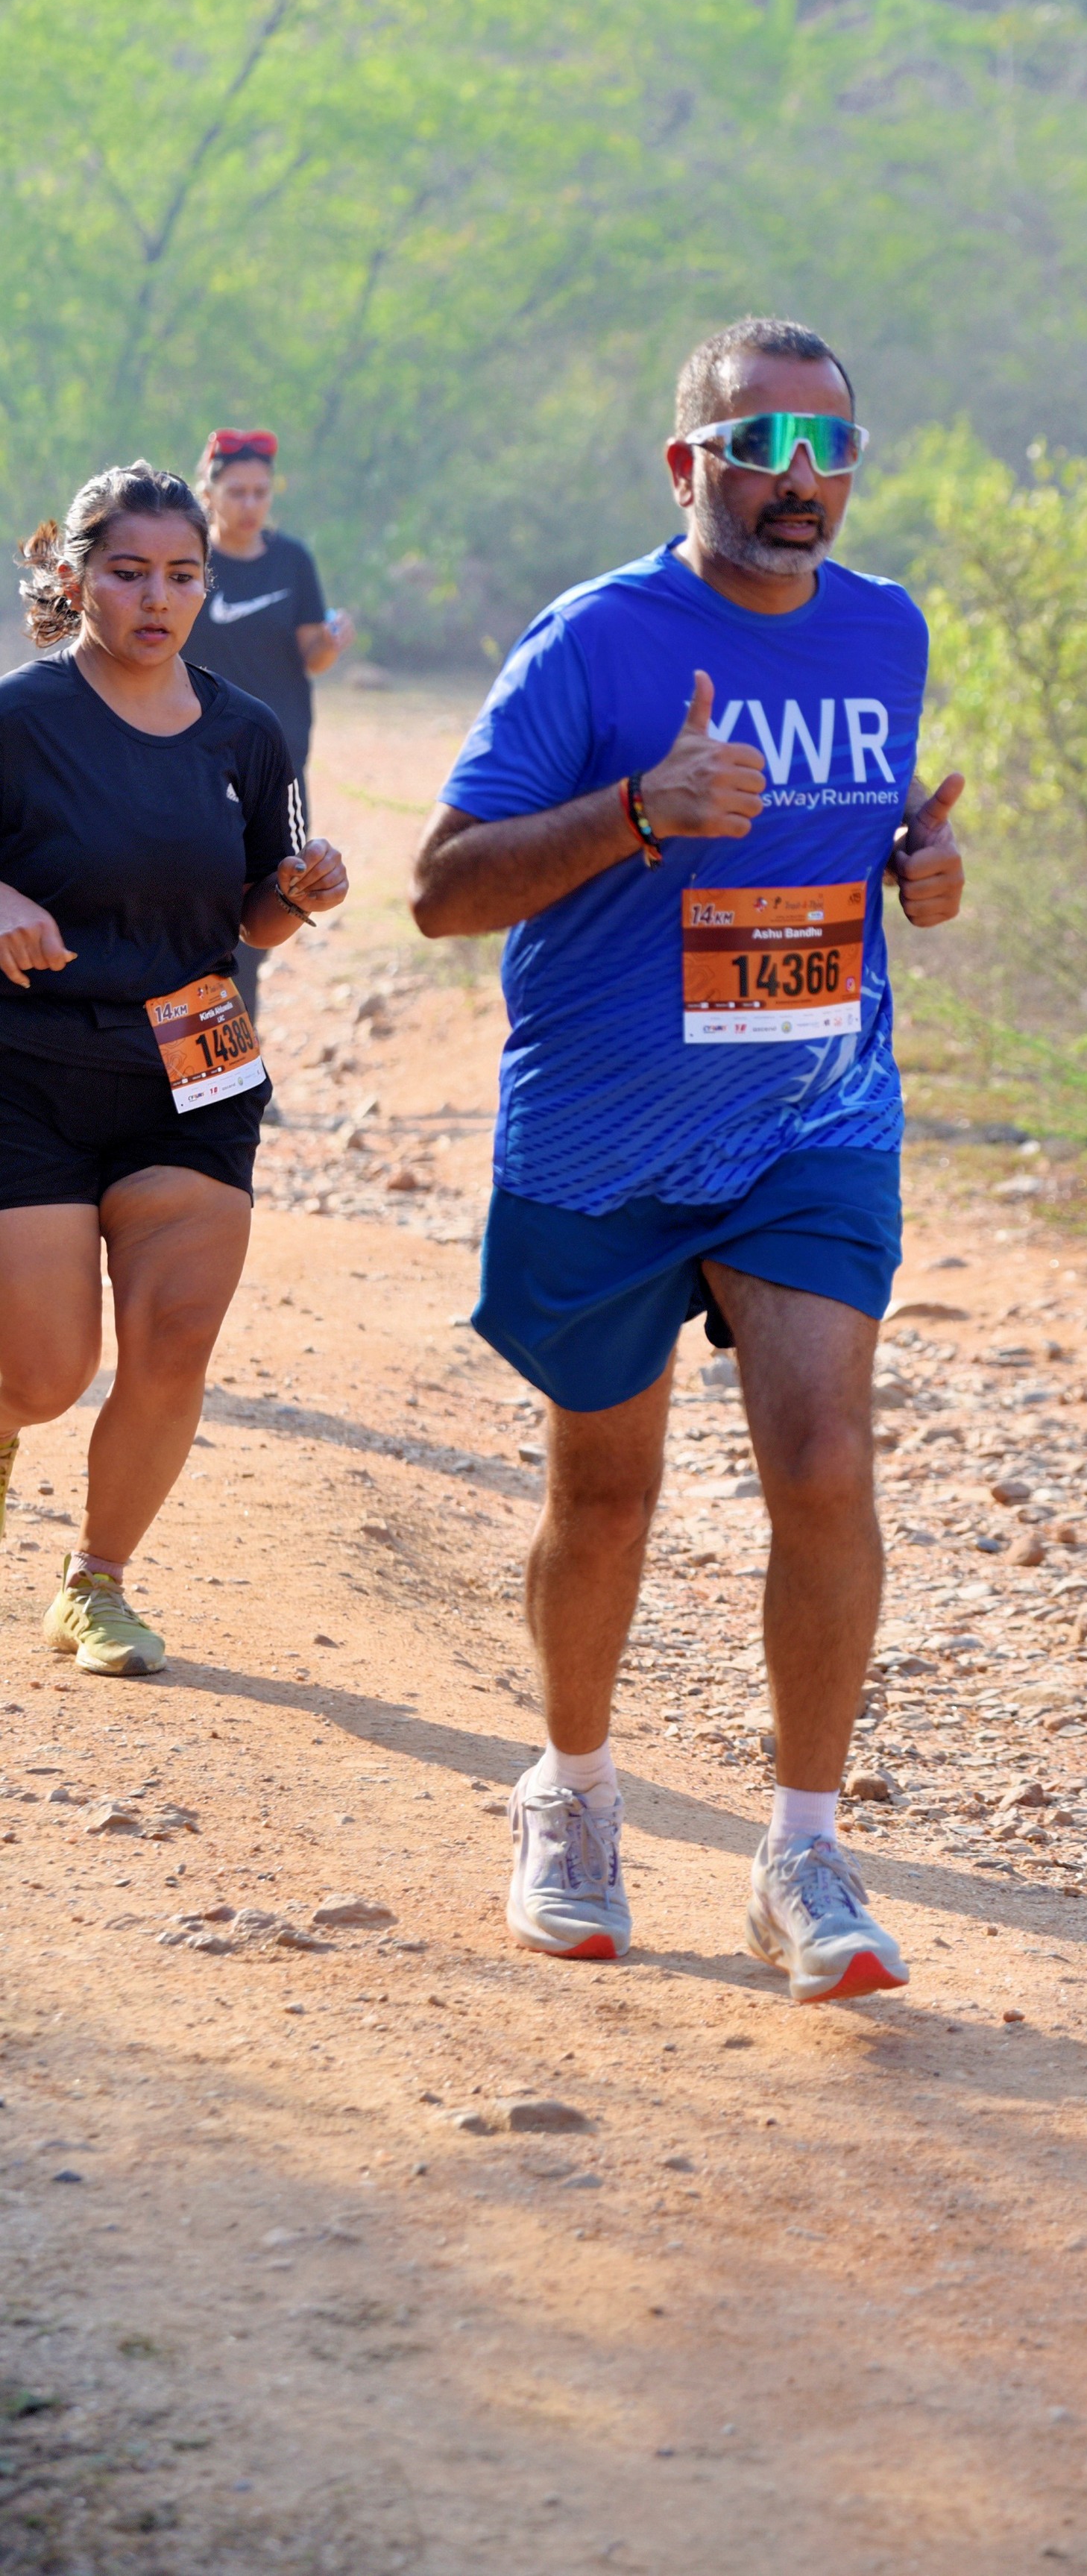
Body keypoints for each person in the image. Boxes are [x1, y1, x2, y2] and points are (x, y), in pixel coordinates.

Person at [411, 317, 965, 1995]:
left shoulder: (886, 629)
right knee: (608, 1493)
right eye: (761, 446)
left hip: (812, 1118)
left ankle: (804, 1854)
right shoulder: (597, 641)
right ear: (687, 465)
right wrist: (639, 812)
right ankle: (572, 1794)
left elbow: (852, 842)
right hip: (605, 1127)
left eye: (829, 448)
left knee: (825, 1461)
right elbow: (442, 889)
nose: (801, 480)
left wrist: (917, 871)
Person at [0, 462, 349, 1678]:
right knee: (46, 1371)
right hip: (29, 1066)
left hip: (194, 1061)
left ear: (208, 583)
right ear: (74, 576)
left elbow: (257, 918)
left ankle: (94, 1582)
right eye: (129, 572)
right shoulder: (20, 718)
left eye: (183, 575)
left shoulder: (248, 733)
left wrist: (299, 892)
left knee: (175, 1340)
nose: (158, 598)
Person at [187, 429, 353, 1021]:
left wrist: (330, 643)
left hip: (275, 762)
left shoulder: (292, 561)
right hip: (192, 759)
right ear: (209, 492)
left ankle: (240, 1048)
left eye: (261, 492)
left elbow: (312, 654)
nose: (250, 504)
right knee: (191, 904)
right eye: (237, 492)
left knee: (264, 905)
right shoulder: (188, 563)